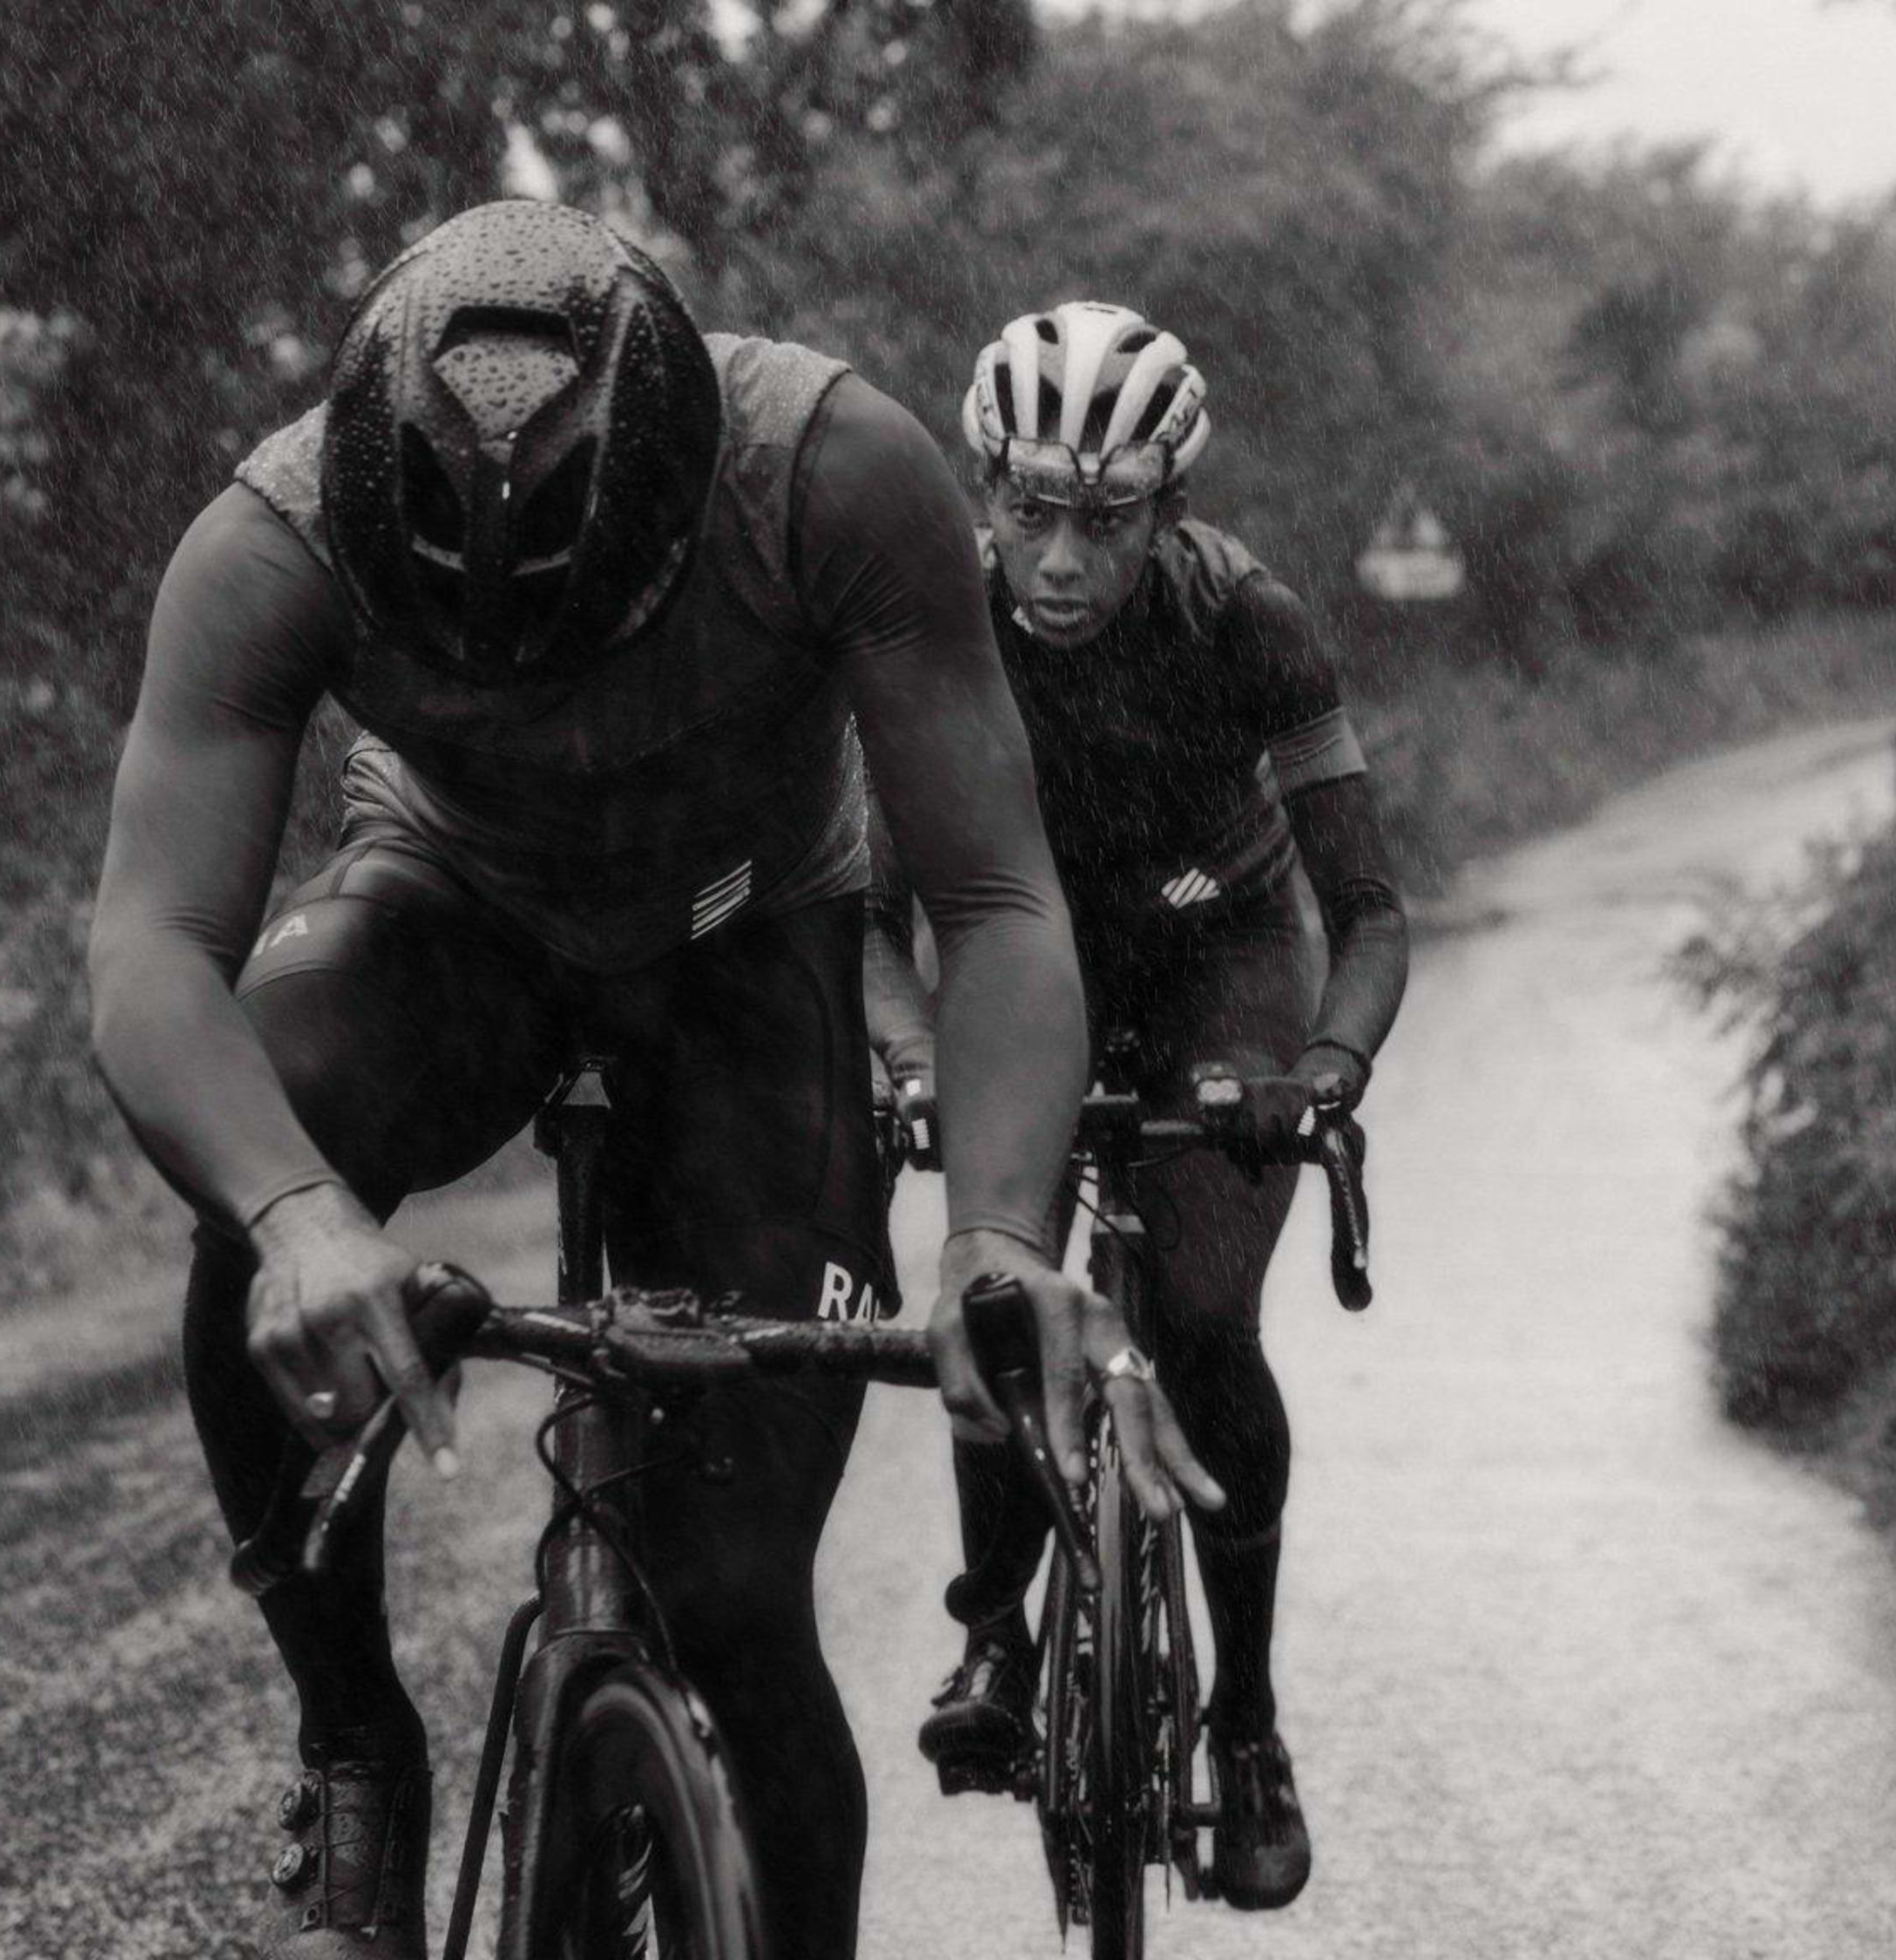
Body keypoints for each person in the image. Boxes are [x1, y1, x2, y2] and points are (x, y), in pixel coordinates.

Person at [85, 203, 1217, 1960]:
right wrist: (303, 1219)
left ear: (677, 504)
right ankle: (355, 1736)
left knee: (735, 1603)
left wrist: (996, 1234)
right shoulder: (269, 544)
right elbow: (151, 954)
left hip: (744, 939)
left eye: (585, 624)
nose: (539, 674)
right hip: (455, 911)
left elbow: (995, 905)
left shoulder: (831, 474)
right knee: (253, 1200)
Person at [867, 301, 1411, 1913]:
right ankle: (992, 1626)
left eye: (1104, 521)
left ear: (1166, 513)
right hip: (1013, 958)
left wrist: (1321, 1074)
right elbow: (861, 918)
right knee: (997, 1282)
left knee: (1198, 1314)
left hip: (1216, 959)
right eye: (1028, 509)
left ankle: (1244, 1726)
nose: (1058, 557)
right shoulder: (927, 628)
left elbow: (1367, 911)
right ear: (983, 495)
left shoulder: (1252, 624)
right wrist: (908, 1066)